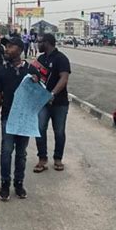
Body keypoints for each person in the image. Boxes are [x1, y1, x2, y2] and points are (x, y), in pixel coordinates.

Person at [0, 37, 38, 201]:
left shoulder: (32, 71)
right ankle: (5, 183)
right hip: (7, 118)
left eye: (10, 47)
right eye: (6, 46)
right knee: (6, 152)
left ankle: (19, 183)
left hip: (24, 119)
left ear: (19, 49)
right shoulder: (1, 70)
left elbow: (39, 96)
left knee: (21, 153)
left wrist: (37, 85)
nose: (6, 49)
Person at [32, 33, 71, 173]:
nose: (37, 43)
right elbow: (35, 76)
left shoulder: (61, 59)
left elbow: (64, 78)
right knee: (40, 130)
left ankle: (58, 159)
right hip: (42, 103)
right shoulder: (41, 59)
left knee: (59, 132)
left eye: (39, 41)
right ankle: (42, 159)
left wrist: (52, 94)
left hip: (59, 103)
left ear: (47, 42)